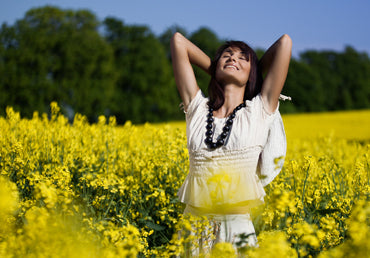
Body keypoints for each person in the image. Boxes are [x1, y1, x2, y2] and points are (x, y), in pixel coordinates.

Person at [170, 32, 292, 252]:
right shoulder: (197, 109)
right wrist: (220, 70)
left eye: (243, 58)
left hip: (236, 230)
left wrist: (252, 73)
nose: (233, 59)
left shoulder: (259, 109)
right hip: (192, 227)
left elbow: (284, 43)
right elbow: (178, 41)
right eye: (227, 55)